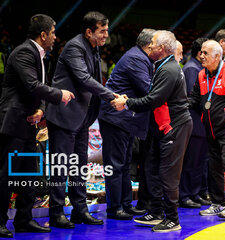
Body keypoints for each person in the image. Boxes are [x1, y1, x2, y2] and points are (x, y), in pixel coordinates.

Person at [0, 14, 74, 238]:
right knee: (6, 175)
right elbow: (33, 85)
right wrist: (59, 94)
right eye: (52, 32)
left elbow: (38, 88)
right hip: (12, 123)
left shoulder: (40, 55)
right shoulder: (24, 52)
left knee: (30, 174)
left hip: (29, 123)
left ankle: (24, 219)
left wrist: (41, 110)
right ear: (43, 35)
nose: (55, 36)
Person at [111, 30, 192, 232]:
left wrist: (126, 102)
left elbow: (153, 100)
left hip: (174, 126)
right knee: (152, 169)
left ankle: (172, 219)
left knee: (168, 174)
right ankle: (156, 213)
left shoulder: (169, 70)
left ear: (162, 49)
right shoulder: (164, 66)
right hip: (163, 127)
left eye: (153, 44)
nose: (150, 47)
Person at [46, 11, 118, 229]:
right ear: (89, 31)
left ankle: (79, 210)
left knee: (78, 166)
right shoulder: (74, 47)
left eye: (107, 30)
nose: (107, 35)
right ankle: (56, 213)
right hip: (64, 116)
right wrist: (111, 96)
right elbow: (84, 79)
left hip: (83, 117)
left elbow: (93, 80)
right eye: (102, 31)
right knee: (61, 167)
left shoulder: (93, 47)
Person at [97, 28, 155, 220]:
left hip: (125, 119)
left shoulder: (141, 57)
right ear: (149, 45)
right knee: (115, 164)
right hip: (116, 117)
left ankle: (124, 204)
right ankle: (114, 208)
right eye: (157, 44)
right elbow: (148, 89)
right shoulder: (136, 59)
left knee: (124, 164)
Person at [189, 40, 225, 220]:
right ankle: (217, 203)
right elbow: (194, 99)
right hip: (211, 131)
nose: (201, 56)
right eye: (201, 52)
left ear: (217, 56)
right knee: (213, 167)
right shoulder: (201, 75)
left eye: (205, 53)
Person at [179, 37, 211, 208]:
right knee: (191, 162)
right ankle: (184, 195)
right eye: (206, 52)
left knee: (199, 162)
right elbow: (194, 98)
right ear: (200, 53)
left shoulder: (199, 68)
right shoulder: (192, 69)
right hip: (194, 123)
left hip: (201, 123)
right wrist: (212, 104)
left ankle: (194, 192)